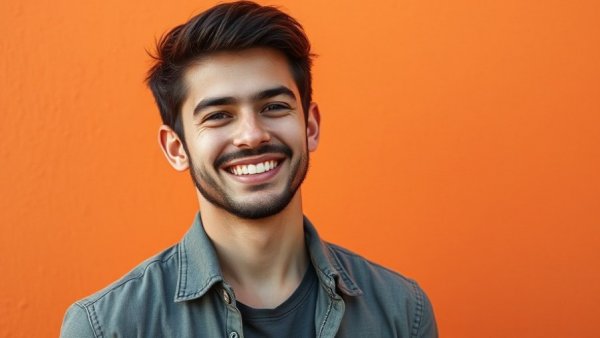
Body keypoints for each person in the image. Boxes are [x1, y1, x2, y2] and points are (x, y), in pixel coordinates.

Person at [60, 1, 438, 337]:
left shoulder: (402, 312)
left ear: (310, 127)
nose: (252, 136)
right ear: (177, 149)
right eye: (219, 115)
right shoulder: (107, 327)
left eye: (273, 106)